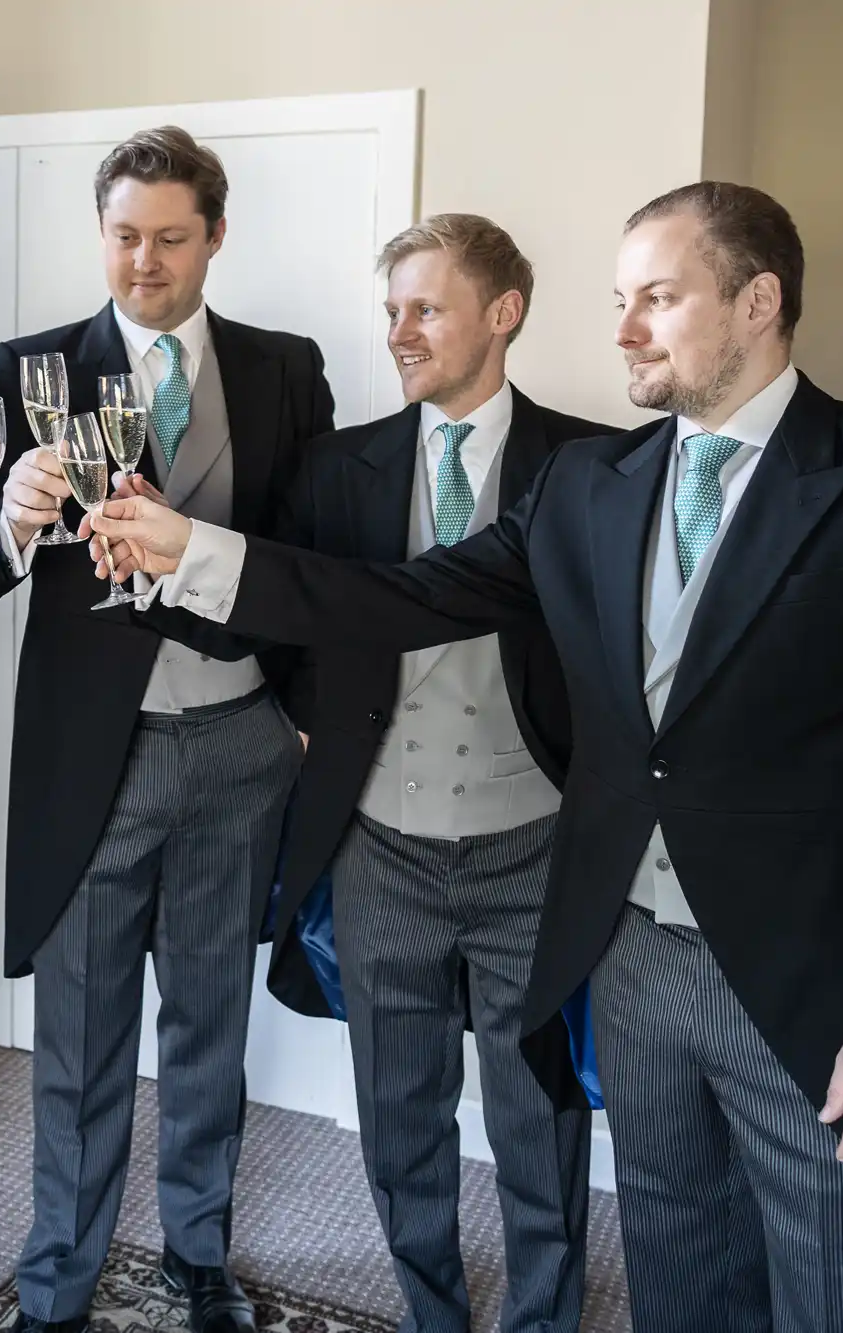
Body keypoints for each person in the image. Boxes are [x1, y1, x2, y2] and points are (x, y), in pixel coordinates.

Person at [89, 181, 843, 1333]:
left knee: (842, 1286)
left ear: (756, 301)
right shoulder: (589, 486)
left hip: (814, 983)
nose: (625, 328)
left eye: (656, 298)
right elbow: (397, 596)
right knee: (676, 1270)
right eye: (617, 300)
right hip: (629, 966)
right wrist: (191, 549)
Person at [0, 126, 334, 1333]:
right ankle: (56, 1285)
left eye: (169, 237)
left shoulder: (286, 369)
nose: (142, 261)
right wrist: (9, 521)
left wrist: (296, 721)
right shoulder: (32, 367)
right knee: (76, 1039)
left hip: (239, 744)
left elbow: (313, 560)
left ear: (214, 237)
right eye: (123, 235)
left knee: (205, 1027)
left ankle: (198, 1257)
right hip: (97, 754)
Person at [256, 214, 608, 1333]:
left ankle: (544, 1315)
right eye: (392, 310)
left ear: (500, 314)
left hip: (534, 847)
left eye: (425, 308)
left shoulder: (593, 467)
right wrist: (312, 723)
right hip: (376, 847)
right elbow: (289, 618)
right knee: (396, 1106)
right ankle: (429, 1311)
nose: (399, 333)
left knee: (533, 1108)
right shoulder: (334, 466)